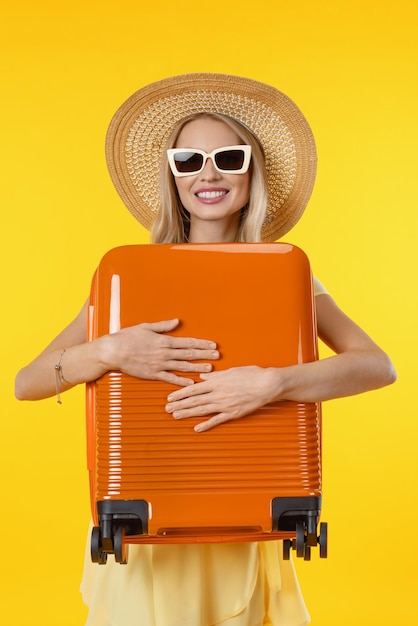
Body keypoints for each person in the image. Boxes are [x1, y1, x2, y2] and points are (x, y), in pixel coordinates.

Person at [15, 73, 396, 626]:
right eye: (189, 161)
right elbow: (28, 382)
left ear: (251, 171)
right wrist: (108, 351)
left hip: (246, 525)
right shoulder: (126, 280)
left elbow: (376, 366)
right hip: (142, 529)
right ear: (173, 177)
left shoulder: (289, 278)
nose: (208, 174)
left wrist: (275, 383)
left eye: (228, 158)